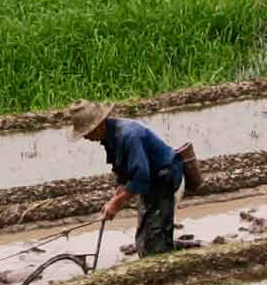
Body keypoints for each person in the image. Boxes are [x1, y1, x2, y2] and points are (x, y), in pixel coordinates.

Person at [68, 102, 185, 257]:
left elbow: (140, 177)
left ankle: (166, 268)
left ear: (99, 125)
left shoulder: (129, 135)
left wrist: (116, 204)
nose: (86, 137)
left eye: (87, 132)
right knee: (145, 235)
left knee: (156, 241)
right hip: (153, 182)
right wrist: (115, 197)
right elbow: (123, 173)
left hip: (166, 181)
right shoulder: (110, 137)